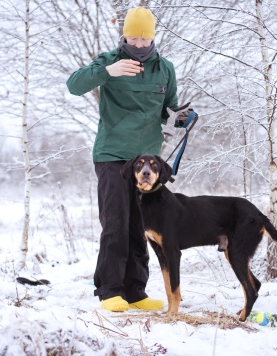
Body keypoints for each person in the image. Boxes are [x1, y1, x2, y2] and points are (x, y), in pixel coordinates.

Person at [66, 6, 189, 312]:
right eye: (132, 38)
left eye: (143, 39)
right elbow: (74, 85)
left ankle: (135, 291)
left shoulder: (165, 69)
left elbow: (170, 107)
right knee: (116, 222)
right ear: (124, 36)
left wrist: (180, 117)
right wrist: (107, 72)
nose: (137, 44)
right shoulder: (109, 60)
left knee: (140, 226)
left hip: (147, 160)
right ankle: (110, 291)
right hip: (113, 156)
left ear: (153, 39)